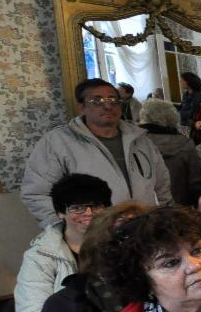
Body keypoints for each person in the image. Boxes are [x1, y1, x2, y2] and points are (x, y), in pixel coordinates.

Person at [22, 78, 172, 225]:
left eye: (113, 100)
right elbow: (36, 194)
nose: (108, 106)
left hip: (144, 231)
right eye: (97, 101)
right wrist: (67, 229)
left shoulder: (140, 140)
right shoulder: (58, 142)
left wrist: (163, 222)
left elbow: (162, 186)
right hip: (93, 235)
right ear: (81, 107)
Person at [14, 173, 112, 312]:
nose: (88, 213)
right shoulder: (41, 256)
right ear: (61, 212)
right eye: (77, 208)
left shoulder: (118, 246)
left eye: (96, 206)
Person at [139, 98, 201, 206]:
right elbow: (196, 180)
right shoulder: (185, 143)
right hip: (179, 206)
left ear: (145, 116)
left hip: (144, 206)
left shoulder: (135, 142)